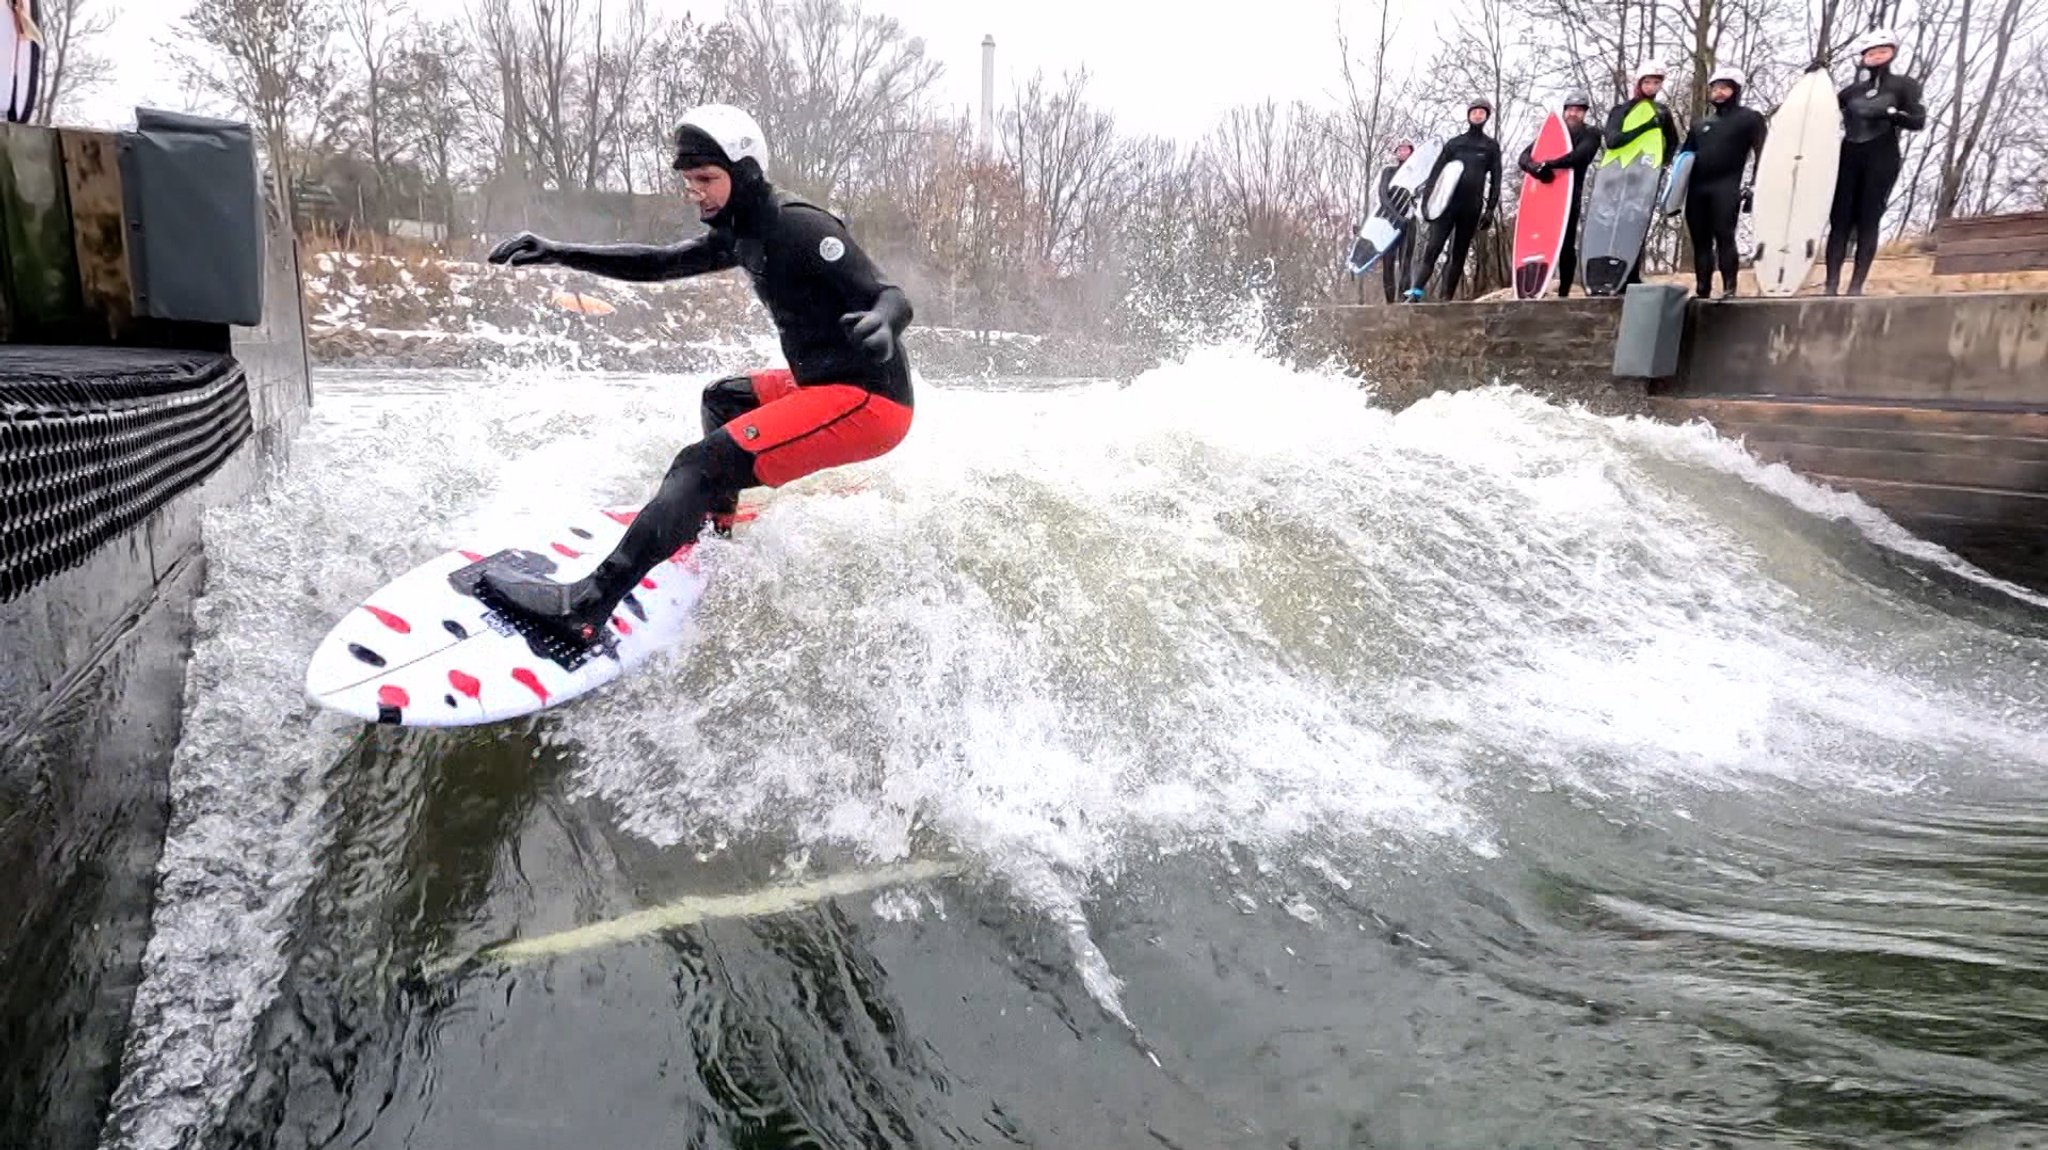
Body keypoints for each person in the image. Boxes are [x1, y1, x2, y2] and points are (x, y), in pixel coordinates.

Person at [476, 104, 916, 645]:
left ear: (746, 171)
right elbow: (660, 263)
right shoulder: (740, 233)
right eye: (690, 181)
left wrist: (882, 322)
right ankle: (715, 532)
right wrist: (561, 252)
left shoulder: (801, 227)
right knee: (723, 399)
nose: (697, 192)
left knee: (698, 465)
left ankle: (586, 607)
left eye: (707, 179)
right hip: (822, 386)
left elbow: (891, 293)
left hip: (869, 402)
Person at [1825, 28, 1926, 295]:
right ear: (1863, 57)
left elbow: (1918, 121)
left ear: (1892, 53)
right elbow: (1820, 114)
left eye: (1882, 50)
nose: (1876, 55)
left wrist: (1892, 114)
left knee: (1869, 218)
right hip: (1849, 153)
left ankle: (1856, 286)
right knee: (1840, 221)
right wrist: (1815, 77)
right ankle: (1831, 284)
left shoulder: (1904, 85)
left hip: (1881, 154)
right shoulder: (1849, 92)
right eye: (1871, 52)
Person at [1680, 67, 1768, 299]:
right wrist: (1674, 195)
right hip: (1697, 189)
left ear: (1735, 90)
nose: (1718, 93)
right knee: (1700, 242)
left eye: (1724, 88)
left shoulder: (1750, 118)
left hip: (1726, 187)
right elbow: (1683, 159)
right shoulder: (1700, 125)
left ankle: (1729, 287)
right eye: (1715, 88)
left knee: (1724, 236)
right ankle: (1702, 289)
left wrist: (1755, 185)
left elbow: (1764, 153)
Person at [1406, 98, 1502, 302]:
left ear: (1486, 117)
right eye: (1474, 112)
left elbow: (1496, 179)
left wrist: (1490, 209)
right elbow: (1436, 174)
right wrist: (1426, 204)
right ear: (1468, 115)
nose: (1477, 115)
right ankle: (1415, 294)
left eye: (1482, 113)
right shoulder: (1455, 144)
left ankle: (1446, 298)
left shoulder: (1490, 146)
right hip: (1447, 205)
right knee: (1433, 248)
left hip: (1472, 207)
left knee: (1459, 253)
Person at [1603, 61, 1682, 286]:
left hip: (1644, 177)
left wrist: (1662, 165)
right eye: (1647, 82)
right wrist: (1646, 127)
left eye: (1656, 83)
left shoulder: (1662, 112)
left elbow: (1673, 142)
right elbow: (1613, 140)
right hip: (1618, 176)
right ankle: (1611, 275)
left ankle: (1632, 275)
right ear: (1638, 83)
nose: (1652, 87)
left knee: (1637, 225)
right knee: (1615, 225)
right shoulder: (1622, 110)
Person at [1516, 92, 1602, 296]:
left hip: (1569, 193)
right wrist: (1534, 167)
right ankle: (1532, 285)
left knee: (1566, 241)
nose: (1573, 114)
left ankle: (1564, 290)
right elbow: (1524, 156)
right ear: (1564, 111)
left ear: (1584, 113)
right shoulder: (1554, 133)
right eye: (1570, 109)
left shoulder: (1591, 133)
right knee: (1537, 239)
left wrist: (1550, 164)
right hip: (1543, 195)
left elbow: (1580, 157)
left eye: (1579, 110)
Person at [1376, 139, 1417, 303]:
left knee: (1406, 262)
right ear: (1396, 153)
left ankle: (1404, 299)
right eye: (1400, 150)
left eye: (1406, 149)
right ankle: (1390, 302)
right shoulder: (1389, 171)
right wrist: (1396, 216)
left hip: (1409, 222)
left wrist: (1410, 216)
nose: (1403, 152)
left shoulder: (1417, 173)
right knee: (1388, 262)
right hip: (1389, 222)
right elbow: (1383, 196)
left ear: (1411, 152)